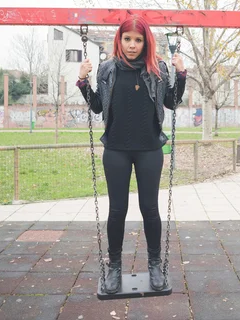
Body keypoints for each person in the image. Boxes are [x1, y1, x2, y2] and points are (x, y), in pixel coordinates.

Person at [76, 15, 186, 294]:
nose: (132, 45)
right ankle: (113, 267)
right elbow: (98, 107)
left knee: (150, 209)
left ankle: (154, 265)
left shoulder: (157, 69)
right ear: (119, 40)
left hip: (149, 149)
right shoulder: (107, 69)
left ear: (145, 41)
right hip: (116, 150)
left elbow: (171, 102)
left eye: (138, 40)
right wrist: (82, 81)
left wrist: (181, 74)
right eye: (127, 39)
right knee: (117, 210)